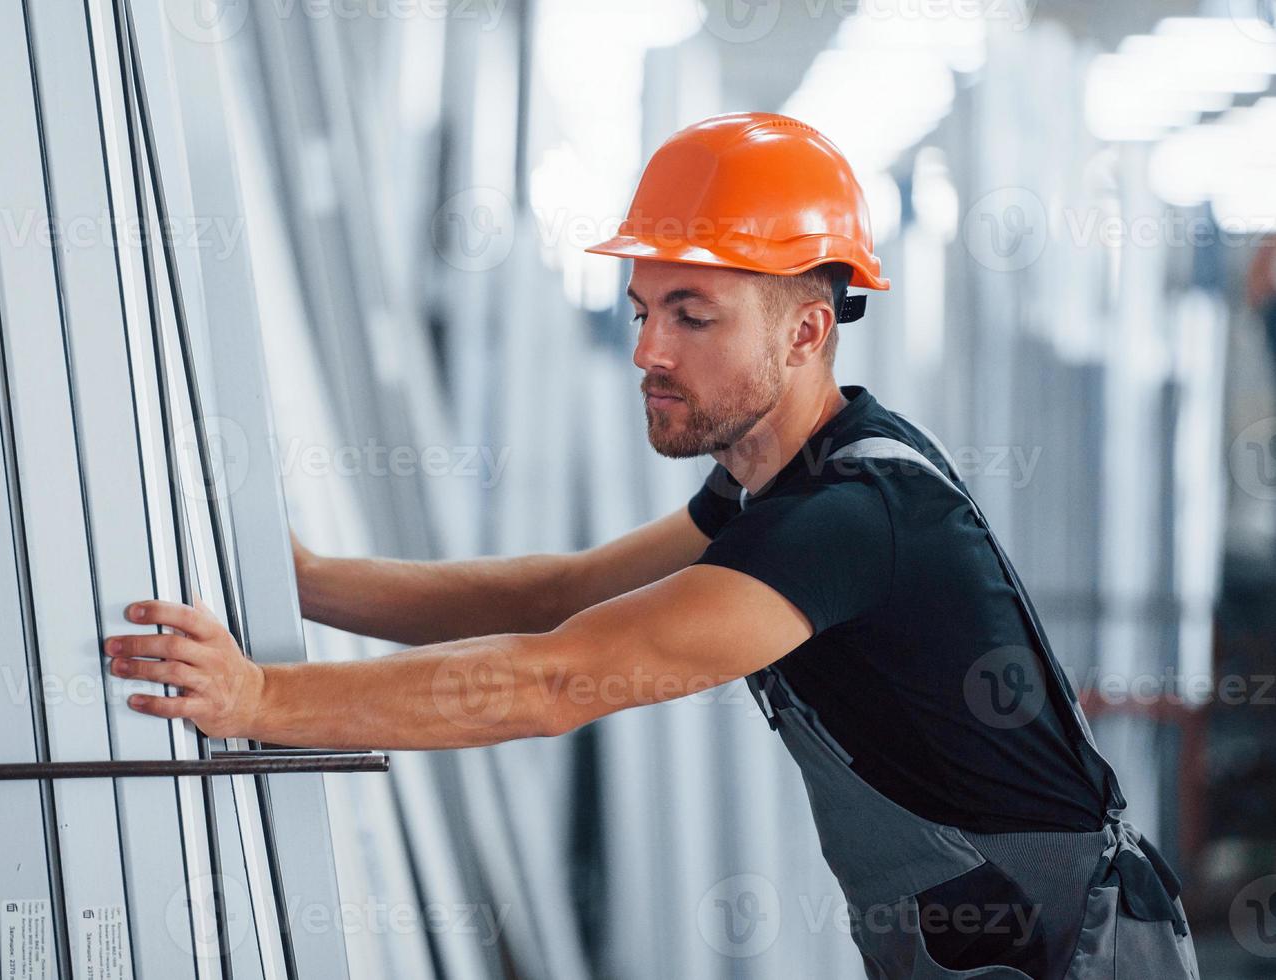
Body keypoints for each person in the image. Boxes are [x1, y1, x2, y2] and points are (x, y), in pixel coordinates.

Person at [105, 112, 1198, 978]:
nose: (646, 350)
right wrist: (305, 580)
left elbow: (554, 679)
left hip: (1080, 952)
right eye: (640, 309)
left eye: (690, 312)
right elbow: (561, 593)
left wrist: (259, 703)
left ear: (804, 329)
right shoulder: (779, 477)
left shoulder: (847, 521)